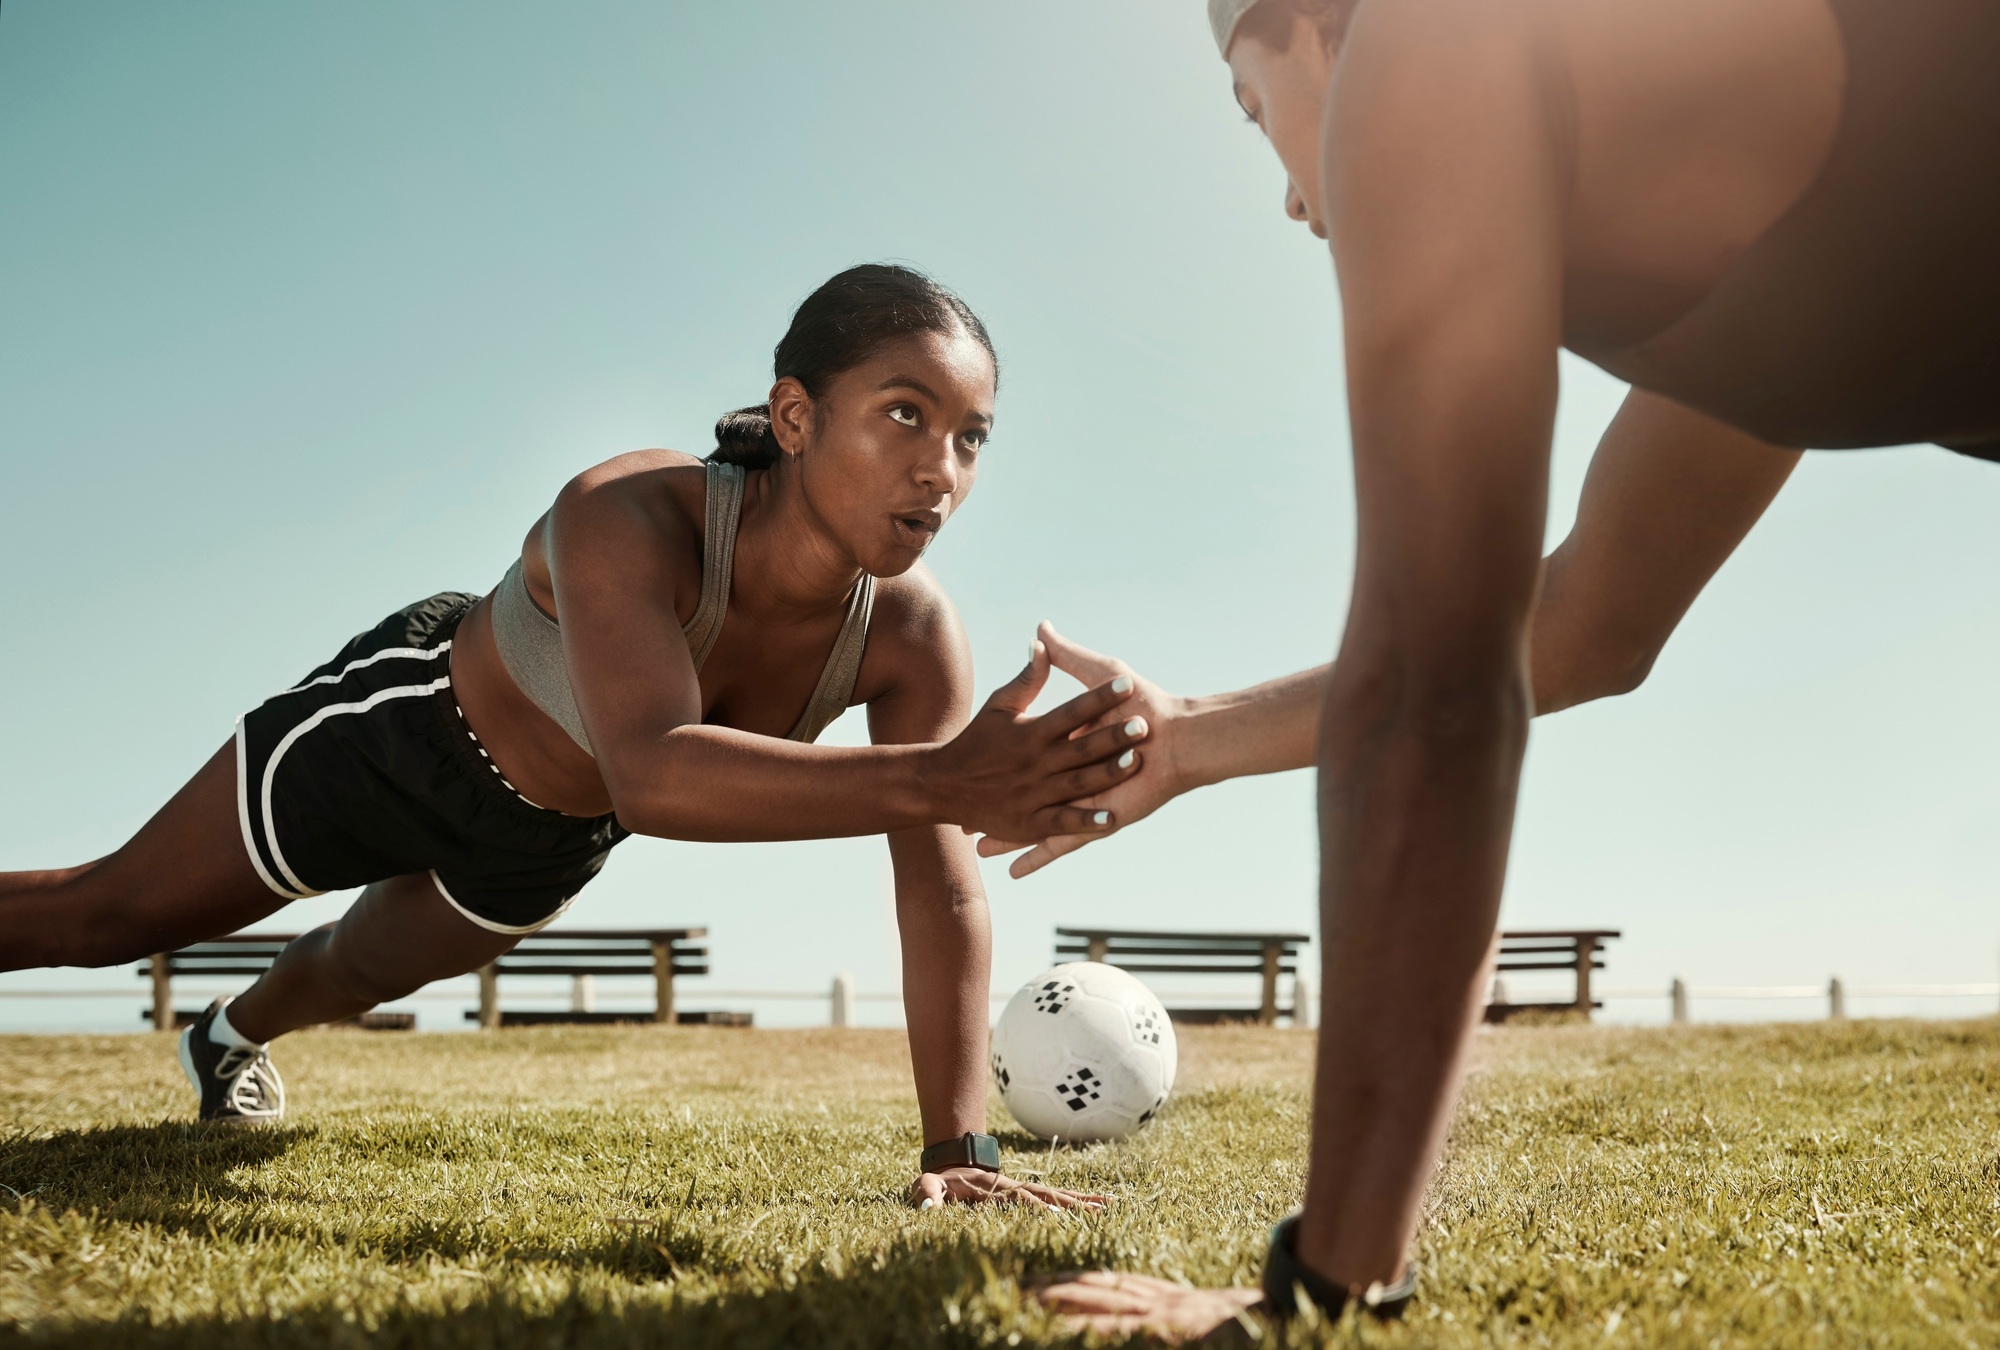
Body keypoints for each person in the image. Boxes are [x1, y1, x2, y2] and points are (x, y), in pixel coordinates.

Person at [1023, 0, 2000, 1333]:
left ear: (1313, 28)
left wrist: (1325, 1289)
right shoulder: (1725, 276)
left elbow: (1435, 691)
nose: (1293, 200)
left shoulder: (1439, 42)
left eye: (1257, 116)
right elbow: (1592, 619)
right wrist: (1188, 737)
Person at [0, 263, 1151, 1212]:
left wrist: (959, 1154)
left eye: (970, 439)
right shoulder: (629, 509)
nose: (938, 472)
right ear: (795, 416)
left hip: (544, 839)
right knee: (104, 919)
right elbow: (653, 772)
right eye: (906, 414)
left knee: (350, 968)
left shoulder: (907, 633)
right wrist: (941, 777)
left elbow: (942, 889)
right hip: (401, 735)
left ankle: (225, 1039)